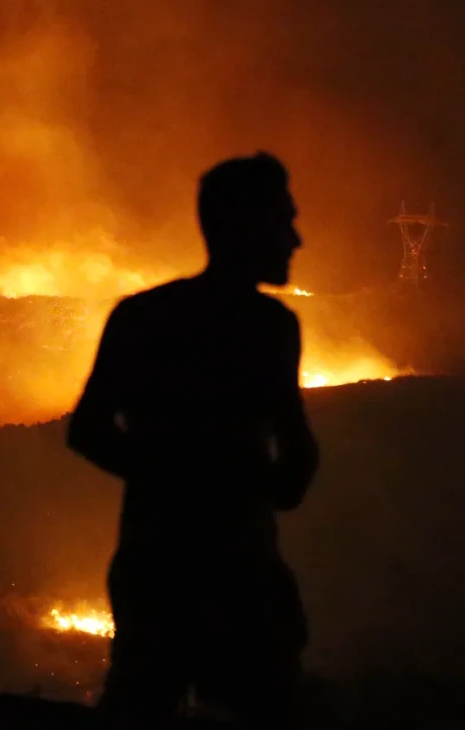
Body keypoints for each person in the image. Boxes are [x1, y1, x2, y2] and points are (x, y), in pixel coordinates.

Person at [67, 153, 320, 729]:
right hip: (239, 574)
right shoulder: (270, 327)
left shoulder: (142, 316)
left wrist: (163, 477)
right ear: (244, 225)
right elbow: (295, 458)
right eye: (283, 220)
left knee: (139, 706)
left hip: (156, 565)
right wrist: (236, 483)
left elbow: (88, 432)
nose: (295, 238)